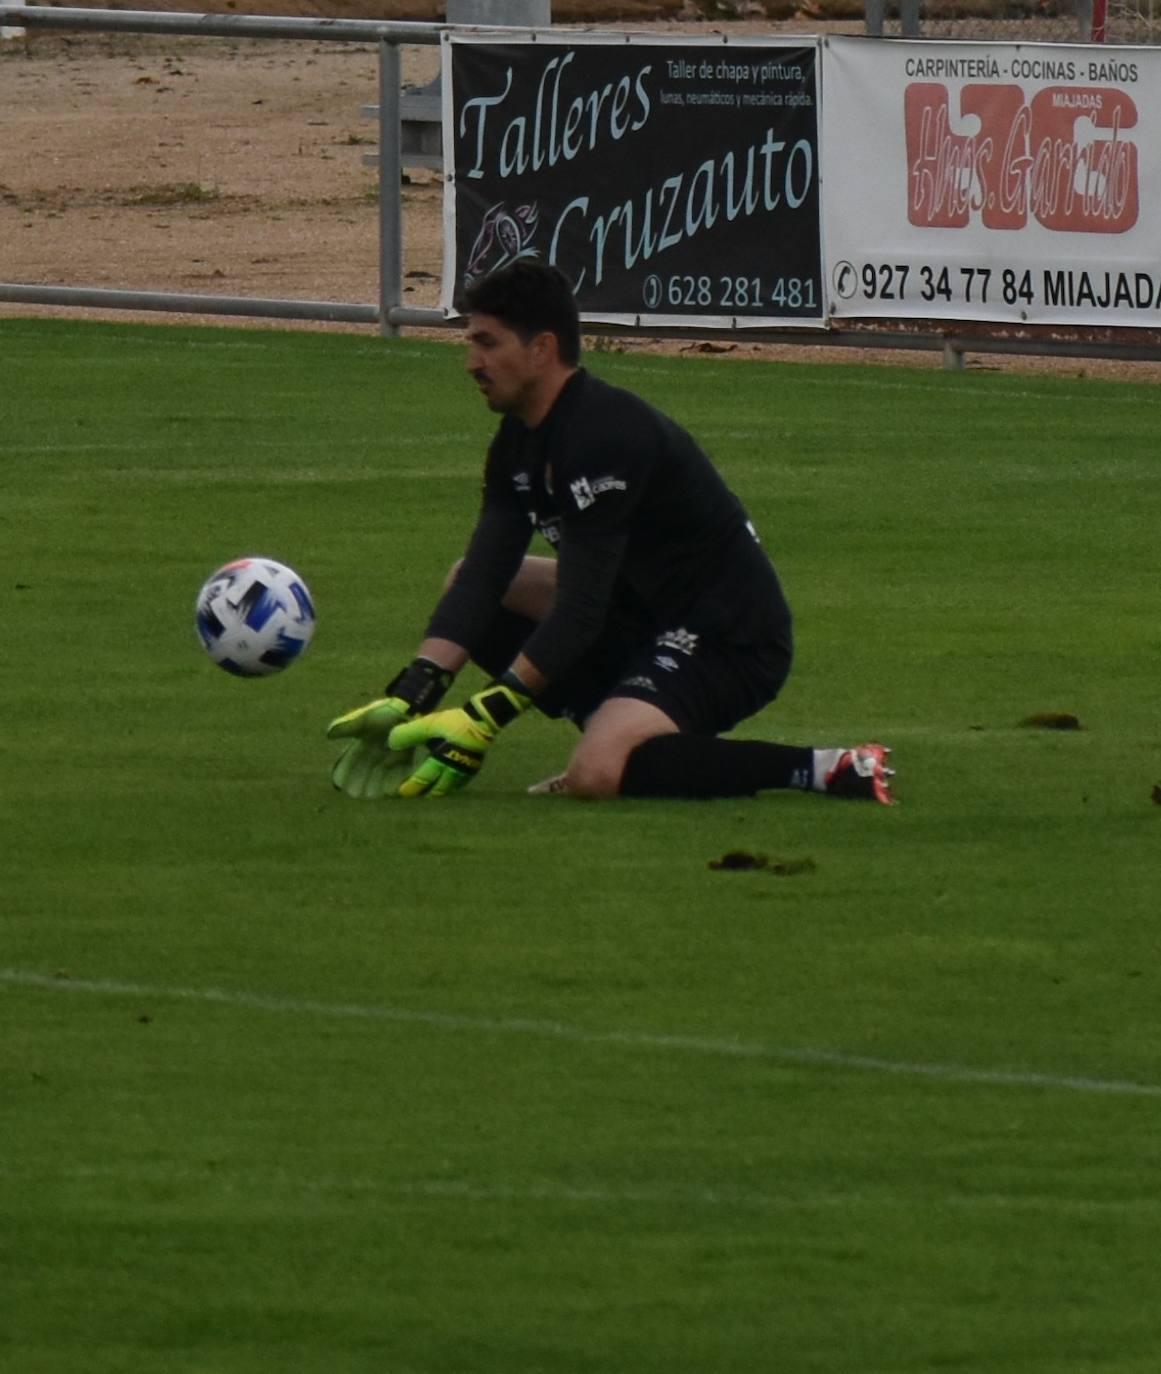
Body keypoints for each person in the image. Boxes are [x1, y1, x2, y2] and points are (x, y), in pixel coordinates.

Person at [327, 259, 894, 805]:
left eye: (488, 343)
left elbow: (581, 609)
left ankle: (827, 767)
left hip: (727, 636)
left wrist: (485, 716)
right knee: (467, 580)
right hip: (641, 615)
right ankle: (621, 734)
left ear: (541, 348)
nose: (472, 362)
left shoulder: (603, 436)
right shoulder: (517, 441)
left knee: (596, 775)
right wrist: (413, 693)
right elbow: (484, 574)